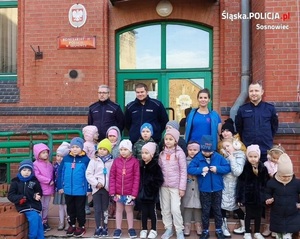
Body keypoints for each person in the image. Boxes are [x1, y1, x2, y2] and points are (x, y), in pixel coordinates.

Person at [187, 135, 231, 239]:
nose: (207, 153)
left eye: (209, 151)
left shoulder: (218, 157)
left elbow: (227, 167)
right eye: (205, 151)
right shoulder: (198, 157)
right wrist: (201, 170)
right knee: (205, 211)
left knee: (217, 210)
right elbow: (190, 169)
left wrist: (217, 169)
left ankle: (219, 229)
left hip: (217, 188)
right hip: (204, 189)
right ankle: (205, 230)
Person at [235, 81, 279, 162]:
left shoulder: (270, 109)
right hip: (248, 150)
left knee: (265, 173)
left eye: (256, 90)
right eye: (251, 91)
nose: (253, 93)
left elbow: (274, 126)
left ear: (262, 92)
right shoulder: (242, 109)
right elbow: (239, 127)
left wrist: (267, 137)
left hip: (265, 149)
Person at [57, 137, 90, 237]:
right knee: (70, 209)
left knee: (80, 209)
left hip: (80, 190)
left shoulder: (85, 160)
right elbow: (60, 173)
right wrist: (60, 186)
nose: (75, 149)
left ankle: (81, 226)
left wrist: (88, 188)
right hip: (68, 190)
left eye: (77, 147)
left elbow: (88, 175)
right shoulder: (66, 159)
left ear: (81, 148)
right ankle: (71, 225)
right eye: (73, 147)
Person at [158, 128, 187, 239]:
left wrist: (182, 188)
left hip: (175, 186)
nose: (168, 141)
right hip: (164, 186)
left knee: (175, 209)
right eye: (166, 139)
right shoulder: (162, 154)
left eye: (171, 139)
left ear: (175, 141)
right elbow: (159, 170)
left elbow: (183, 171)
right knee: (165, 208)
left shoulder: (180, 154)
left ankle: (179, 230)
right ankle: (168, 228)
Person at [236, 145, 269, 239]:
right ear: (247, 157)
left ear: (259, 156)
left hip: (259, 196)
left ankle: (257, 232)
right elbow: (241, 183)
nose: (253, 159)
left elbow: (266, 184)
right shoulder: (245, 168)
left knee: (258, 215)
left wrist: (265, 196)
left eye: (255, 156)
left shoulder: (263, 168)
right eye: (250, 157)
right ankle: (247, 231)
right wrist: (240, 197)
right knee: (248, 215)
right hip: (248, 196)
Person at [109, 139, 140, 239]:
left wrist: (134, 193)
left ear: (130, 151)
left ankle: (131, 228)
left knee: (129, 210)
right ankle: (118, 228)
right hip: (118, 192)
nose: (122, 151)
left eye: (125, 149)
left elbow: (136, 178)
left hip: (129, 193)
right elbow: (112, 176)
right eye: (121, 149)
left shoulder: (135, 162)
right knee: (119, 210)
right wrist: (112, 191)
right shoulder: (116, 161)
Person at [265, 153, 300, 239]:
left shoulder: (296, 183)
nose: (286, 178)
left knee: (289, 233)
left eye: (288, 176)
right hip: (277, 213)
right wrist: (268, 199)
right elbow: (267, 193)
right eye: (283, 176)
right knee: (279, 233)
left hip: (293, 213)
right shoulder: (272, 183)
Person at [8, 159, 44, 239]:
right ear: (20, 170)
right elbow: (10, 195)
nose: (26, 172)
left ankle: (40, 237)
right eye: (24, 170)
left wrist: (37, 195)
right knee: (34, 217)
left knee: (38, 219)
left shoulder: (34, 181)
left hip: (34, 204)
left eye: (29, 170)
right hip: (23, 205)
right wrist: (20, 197)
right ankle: (32, 236)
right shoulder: (15, 182)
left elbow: (39, 191)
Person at [86, 138, 114, 237]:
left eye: (104, 149)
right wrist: (96, 183)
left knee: (105, 209)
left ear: (108, 151)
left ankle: (105, 226)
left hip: (106, 189)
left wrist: (109, 186)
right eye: (100, 148)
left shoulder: (111, 162)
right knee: (97, 209)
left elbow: (112, 175)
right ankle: (98, 227)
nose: (102, 151)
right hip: (97, 188)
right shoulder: (94, 161)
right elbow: (89, 174)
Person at [220, 138, 246, 237]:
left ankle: (244, 226)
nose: (226, 148)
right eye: (224, 147)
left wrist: (231, 159)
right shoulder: (228, 156)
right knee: (222, 205)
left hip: (234, 185)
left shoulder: (239, 156)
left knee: (235, 206)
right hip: (225, 184)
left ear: (234, 145)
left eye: (228, 146)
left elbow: (237, 172)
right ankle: (224, 226)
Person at [138, 142, 164, 239]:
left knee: (152, 212)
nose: (144, 155)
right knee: (143, 212)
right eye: (143, 153)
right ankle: (144, 229)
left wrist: (151, 187)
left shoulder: (155, 166)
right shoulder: (140, 165)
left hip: (151, 194)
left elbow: (159, 180)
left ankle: (153, 229)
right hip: (142, 194)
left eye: (146, 153)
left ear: (152, 155)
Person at [262, 144, 285, 237]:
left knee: (277, 209)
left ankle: (275, 227)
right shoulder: (266, 164)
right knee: (268, 209)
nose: (275, 160)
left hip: (278, 190)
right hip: (268, 189)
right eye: (273, 158)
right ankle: (267, 226)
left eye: (277, 158)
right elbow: (262, 177)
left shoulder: (283, 165)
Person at [182, 141, 202, 237]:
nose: (192, 152)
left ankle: (198, 224)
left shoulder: (201, 161)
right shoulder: (184, 161)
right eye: (190, 150)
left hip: (198, 187)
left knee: (198, 206)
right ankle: (187, 224)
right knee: (187, 206)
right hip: (188, 186)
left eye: (195, 150)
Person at [33, 143, 54, 232]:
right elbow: (38, 176)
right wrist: (48, 181)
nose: (45, 154)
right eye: (43, 153)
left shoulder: (49, 164)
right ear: (38, 154)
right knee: (40, 206)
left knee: (46, 206)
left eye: (46, 152)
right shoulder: (36, 164)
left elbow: (52, 174)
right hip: (41, 188)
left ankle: (45, 221)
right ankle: (40, 222)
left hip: (49, 189)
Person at [53, 142, 70, 231]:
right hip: (58, 189)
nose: (59, 158)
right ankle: (61, 222)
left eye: (62, 156)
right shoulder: (55, 166)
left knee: (66, 206)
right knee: (60, 207)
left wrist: (63, 187)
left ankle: (68, 222)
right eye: (58, 155)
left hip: (66, 189)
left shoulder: (66, 166)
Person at [82, 125, 99, 215]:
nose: (98, 134)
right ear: (90, 135)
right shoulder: (86, 145)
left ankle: (95, 204)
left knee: (94, 187)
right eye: (96, 133)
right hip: (88, 168)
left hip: (96, 168)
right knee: (87, 188)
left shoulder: (96, 144)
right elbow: (84, 155)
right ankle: (85, 205)